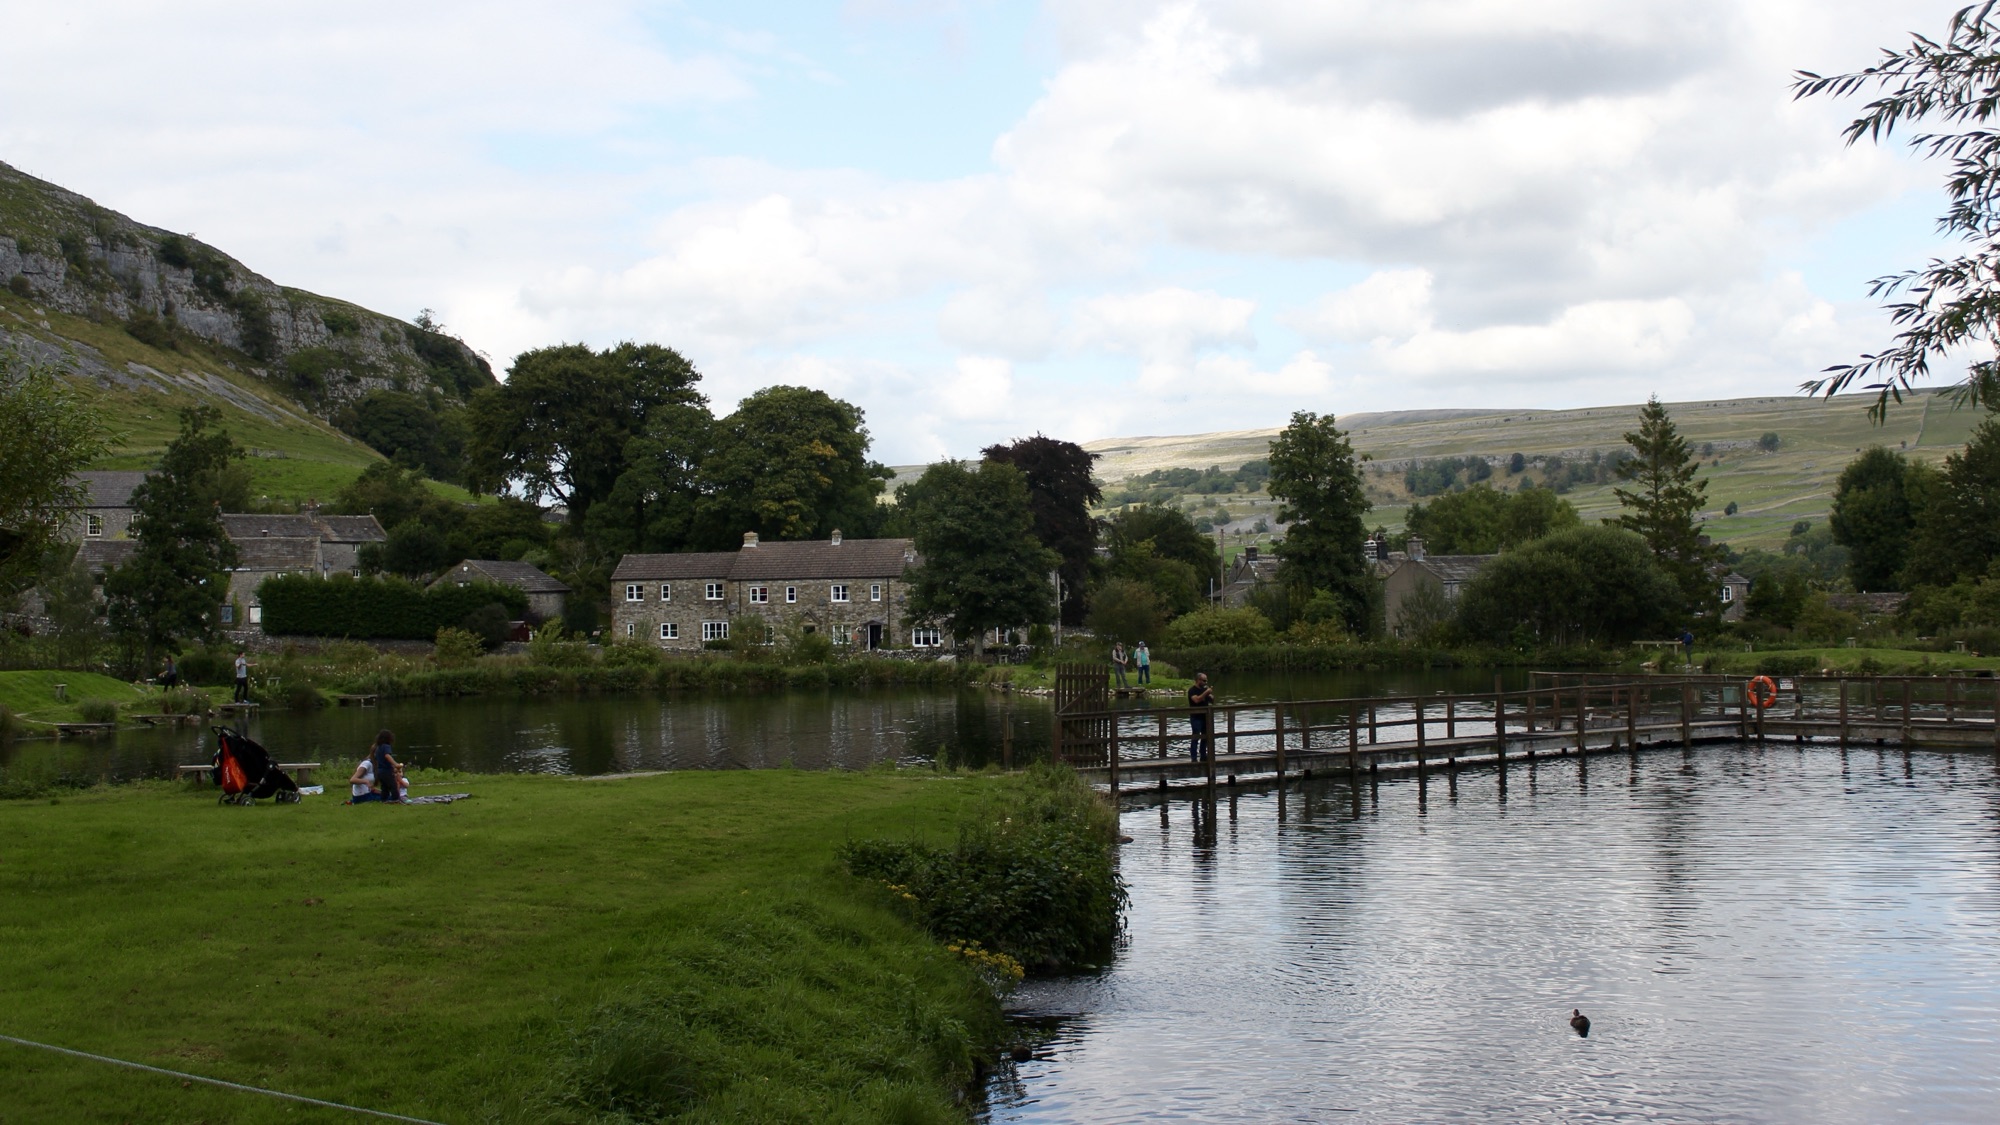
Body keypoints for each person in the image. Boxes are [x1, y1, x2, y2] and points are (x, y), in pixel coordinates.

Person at [348, 730, 405, 804]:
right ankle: (394, 800)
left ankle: (387, 799)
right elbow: (352, 780)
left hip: (369, 793)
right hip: (362, 796)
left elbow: (374, 787)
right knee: (391, 796)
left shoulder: (378, 765)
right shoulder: (366, 764)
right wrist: (365, 781)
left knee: (386, 794)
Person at [1187, 672, 1215, 762]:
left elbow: (1212, 701)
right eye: (1204, 681)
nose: (1205, 682)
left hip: (1205, 717)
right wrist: (1206, 692)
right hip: (1196, 717)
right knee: (1196, 737)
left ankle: (1203, 756)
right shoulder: (1192, 690)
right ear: (1198, 680)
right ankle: (1194, 758)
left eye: (1206, 681)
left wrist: (1210, 695)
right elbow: (1196, 700)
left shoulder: (1204, 689)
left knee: (1205, 737)